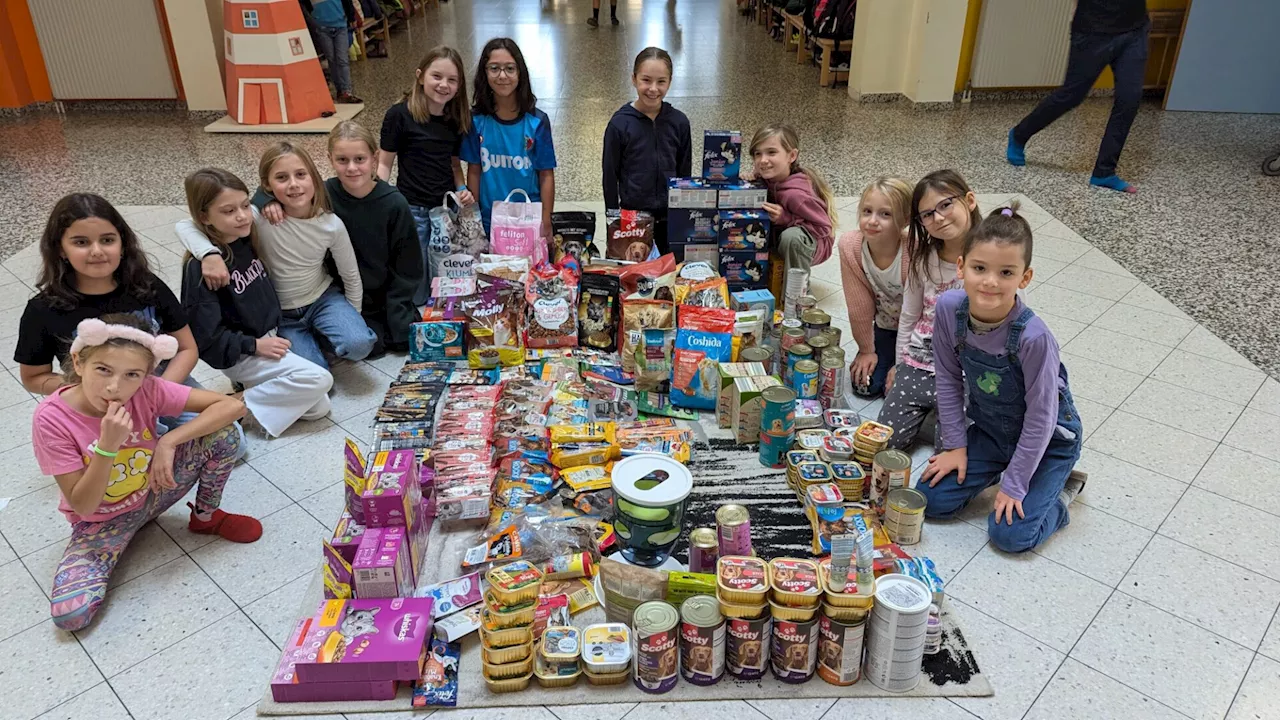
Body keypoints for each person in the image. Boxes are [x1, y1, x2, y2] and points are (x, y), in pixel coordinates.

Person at [32, 314, 258, 631]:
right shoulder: (51, 418)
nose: (114, 387)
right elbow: (83, 505)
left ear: (145, 376)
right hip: (103, 520)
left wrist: (169, 440)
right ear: (78, 363)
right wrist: (108, 447)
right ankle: (126, 534)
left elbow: (232, 407)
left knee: (225, 436)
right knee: (71, 615)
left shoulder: (147, 390)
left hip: (155, 488)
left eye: (131, 375)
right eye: (103, 370)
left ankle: (206, 518)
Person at [919, 204, 1087, 552]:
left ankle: (1061, 492)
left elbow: (1042, 418)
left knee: (1011, 536)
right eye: (980, 268)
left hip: (1050, 442)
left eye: (1006, 273)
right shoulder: (949, 309)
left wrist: (1015, 484)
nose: (991, 282)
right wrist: (956, 446)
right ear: (962, 267)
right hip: (993, 433)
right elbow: (949, 379)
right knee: (929, 501)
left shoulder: (1033, 337)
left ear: (1024, 278)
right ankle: (1000, 467)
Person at [176, 142, 376, 370]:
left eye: (301, 174)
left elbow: (350, 274)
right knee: (318, 374)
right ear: (267, 185)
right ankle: (314, 347)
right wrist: (209, 254)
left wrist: (354, 316)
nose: (293, 185)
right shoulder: (256, 216)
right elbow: (184, 225)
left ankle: (322, 338)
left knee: (360, 344)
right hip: (281, 315)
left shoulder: (331, 225)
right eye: (281, 178)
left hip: (323, 298)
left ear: (314, 177)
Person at [180, 168, 335, 438]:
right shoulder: (202, 270)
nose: (242, 215)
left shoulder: (244, 237)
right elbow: (207, 340)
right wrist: (254, 346)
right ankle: (226, 407)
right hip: (244, 351)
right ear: (204, 217)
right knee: (320, 379)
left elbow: (262, 200)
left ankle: (240, 398)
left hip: (268, 339)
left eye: (243, 206)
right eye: (228, 211)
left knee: (318, 407)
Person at [255, 122, 421, 355]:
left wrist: (397, 309)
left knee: (397, 341)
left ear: (374, 158)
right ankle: (313, 333)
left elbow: (407, 268)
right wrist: (266, 200)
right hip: (337, 292)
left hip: (383, 294)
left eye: (359, 159)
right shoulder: (322, 194)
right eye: (342, 160)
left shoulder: (394, 203)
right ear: (330, 159)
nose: (352, 168)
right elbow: (277, 188)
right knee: (370, 346)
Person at [15, 194, 200, 397]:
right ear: (61, 249)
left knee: (223, 421)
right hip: (95, 400)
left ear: (122, 244)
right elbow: (33, 378)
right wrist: (90, 388)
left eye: (107, 240)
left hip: (164, 387)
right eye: (81, 242)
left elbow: (186, 349)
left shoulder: (148, 285)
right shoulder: (42, 309)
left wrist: (157, 393)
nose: (97, 251)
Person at [877, 169, 980, 450]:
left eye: (946, 205)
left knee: (951, 458)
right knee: (882, 446)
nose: (939, 217)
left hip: (964, 378)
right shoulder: (924, 258)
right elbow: (910, 316)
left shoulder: (991, 258)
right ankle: (924, 413)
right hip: (918, 366)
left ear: (969, 200)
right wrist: (899, 365)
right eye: (927, 214)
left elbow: (1015, 321)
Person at [1005, 0, 1149, 193]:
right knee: (1072, 95)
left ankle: (1104, 172)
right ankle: (1019, 135)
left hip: (1134, 30)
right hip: (1092, 31)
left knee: (1130, 98)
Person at [378, 46, 474, 302]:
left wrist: (462, 190)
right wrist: (378, 196)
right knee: (417, 280)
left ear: (459, 85)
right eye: (437, 76)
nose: (444, 85)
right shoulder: (399, 115)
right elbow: (385, 162)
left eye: (452, 80)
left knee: (447, 276)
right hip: (413, 209)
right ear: (420, 76)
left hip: (445, 211)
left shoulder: (456, 119)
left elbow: (454, 164)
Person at [462, 38, 557, 236]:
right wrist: (474, 216)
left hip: (528, 218)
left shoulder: (537, 122)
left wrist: (546, 220)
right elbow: (474, 170)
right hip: (490, 219)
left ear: (520, 73)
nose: (502, 75)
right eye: (494, 68)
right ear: (484, 73)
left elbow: (546, 174)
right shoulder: (476, 121)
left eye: (510, 68)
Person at [602, 47, 691, 255]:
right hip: (634, 221)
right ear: (634, 79)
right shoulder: (619, 124)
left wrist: (684, 215)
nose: (653, 88)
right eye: (646, 80)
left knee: (670, 278)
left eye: (661, 81)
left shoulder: (679, 122)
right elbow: (609, 176)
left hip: (670, 219)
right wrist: (614, 220)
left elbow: (684, 174)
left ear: (670, 81)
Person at [837, 177, 913, 398]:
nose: (872, 221)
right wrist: (866, 350)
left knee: (898, 391)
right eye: (867, 211)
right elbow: (858, 305)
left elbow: (922, 313)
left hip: (919, 335)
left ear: (905, 220)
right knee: (866, 385)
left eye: (885, 214)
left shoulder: (915, 250)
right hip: (886, 327)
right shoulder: (850, 246)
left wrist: (904, 363)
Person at [747, 124, 836, 277]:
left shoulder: (797, 196)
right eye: (757, 154)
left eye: (771, 152)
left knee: (792, 238)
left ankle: (799, 293)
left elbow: (824, 228)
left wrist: (787, 218)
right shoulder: (765, 179)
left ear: (792, 156)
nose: (763, 160)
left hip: (812, 242)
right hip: (783, 236)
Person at [301, 0, 363, 104]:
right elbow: (306, 6)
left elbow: (347, 2)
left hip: (340, 25)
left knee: (342, 59)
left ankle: (346, 91)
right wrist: (315, 23)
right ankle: (340, 90)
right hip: (322, 28)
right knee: (332, 60)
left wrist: (351, 17)